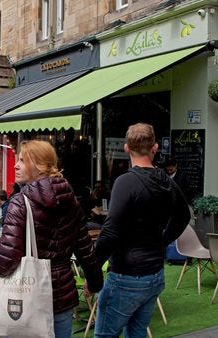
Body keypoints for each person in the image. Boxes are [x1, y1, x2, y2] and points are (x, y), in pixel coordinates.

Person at [0, 140, 104, 338]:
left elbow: (7, 257)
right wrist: (94, 282)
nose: (16, 165)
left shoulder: (20, 202)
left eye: (22, 160)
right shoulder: (71, 201)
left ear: (39, 167)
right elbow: (85, 248)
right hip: (62, 295)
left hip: (29, 295)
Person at [92, 123, 190, 337]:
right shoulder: (167, 182)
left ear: (127, 148)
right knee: (136, 334)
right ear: (154, 148)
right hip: (154, 273)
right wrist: (161, 241)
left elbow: (110, 231)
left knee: (104, 335)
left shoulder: (125, 182)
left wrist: (92, 270)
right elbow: (183, 216)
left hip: (127, 274)